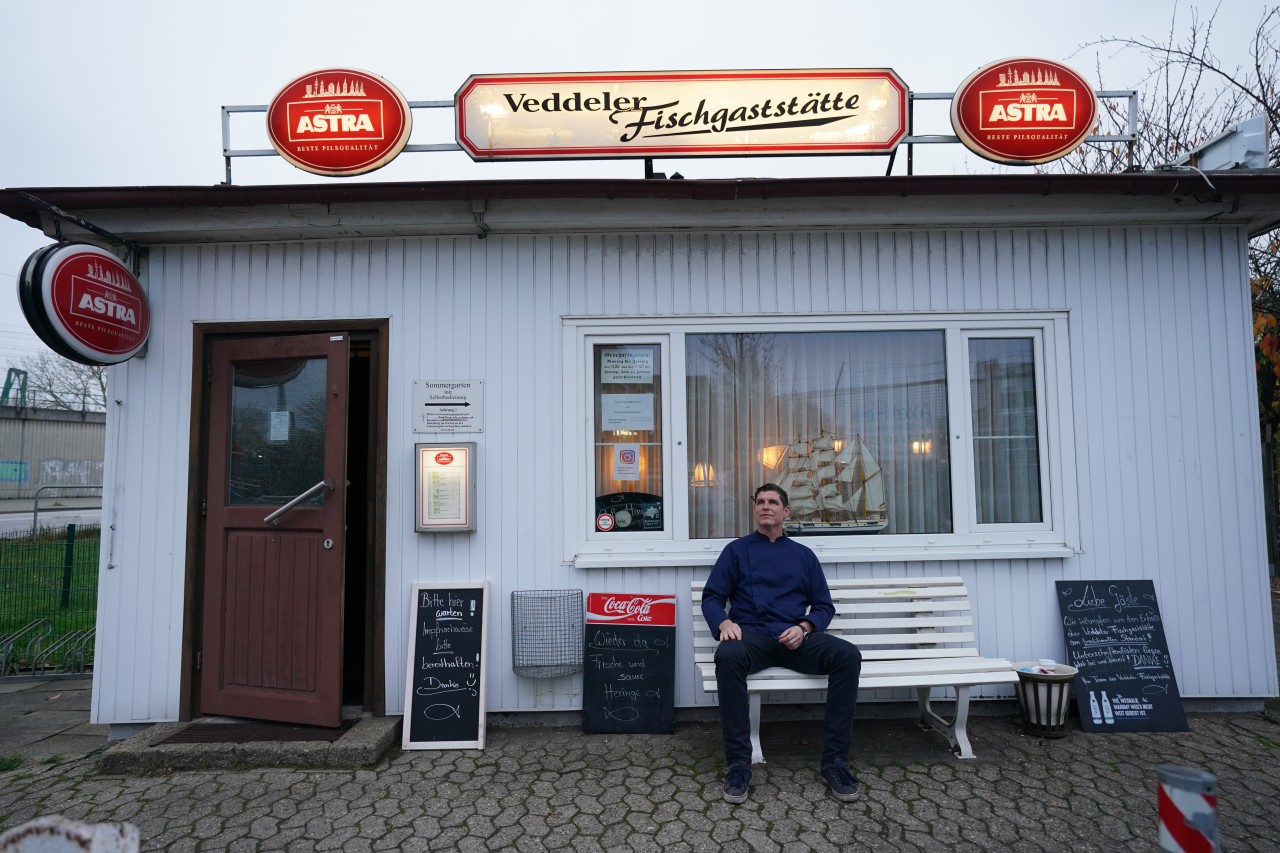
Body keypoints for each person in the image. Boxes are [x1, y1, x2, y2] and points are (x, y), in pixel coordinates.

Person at [700, 483, 863, 803]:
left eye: (773, 502)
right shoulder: (737, 550)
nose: (765, 506)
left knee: (848, 656)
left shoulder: (803, 556)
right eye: (759, 501)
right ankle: (738, 763)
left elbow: (824, 607)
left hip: (794, 639)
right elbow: (712, 597)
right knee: (727, 657)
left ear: (785, 511)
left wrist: (804, 627)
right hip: (752, 637)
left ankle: (834, 761)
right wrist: (724, 622)